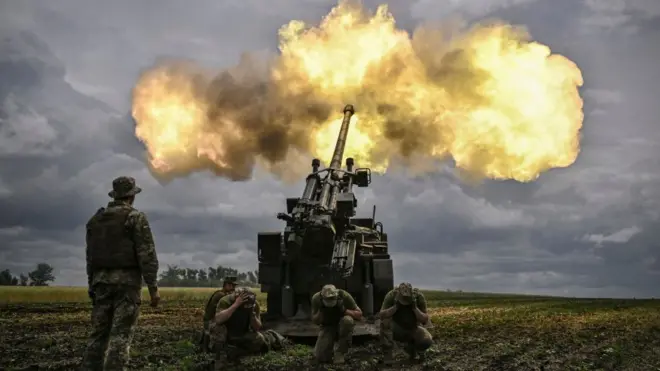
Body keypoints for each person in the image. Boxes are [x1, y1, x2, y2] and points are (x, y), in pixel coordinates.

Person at [81, 176, 160, 371]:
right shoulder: (135, 218)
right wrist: (153, 289)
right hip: (127, 284)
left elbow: (90, 257)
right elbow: (146, 254)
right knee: (120, 337)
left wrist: (92, 284)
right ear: (132, 196)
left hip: (101, 283)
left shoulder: (95, 220)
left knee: (98, 336)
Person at [211, 287, 285, 369]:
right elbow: (218, 320)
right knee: (217, 328)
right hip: (226, 330)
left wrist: (252, 316)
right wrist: (235, 305)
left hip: (243, 331)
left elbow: (257, 327)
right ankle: (221, 353)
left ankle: (239, 351)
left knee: (260, 339)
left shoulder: (253, 304)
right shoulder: (225, 301)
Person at [378, 282, 433, 364]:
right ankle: (388, 355)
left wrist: (414, 308)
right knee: (384, 323)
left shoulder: (418, 297)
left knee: (426, 340)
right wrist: (395, 307)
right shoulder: (392, 295)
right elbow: (382, 315)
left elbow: (424, 319)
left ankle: (414, 351)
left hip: (413, 328)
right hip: (396, 327)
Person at [310, 284, 363, 364]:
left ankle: (340, 352)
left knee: (347, 321)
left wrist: (344, 310)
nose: (330, 301)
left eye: (332, 298)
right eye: (328, 299)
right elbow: (315, 321)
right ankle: (328, 348)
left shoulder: (343, 295)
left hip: (342, 323)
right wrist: (320, 312)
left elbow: (359, 315)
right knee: (321, 356)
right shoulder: (316, 298)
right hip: (327, 325)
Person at [200, 275, 238, 352]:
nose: (233, 288)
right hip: (210, 322)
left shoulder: (220, 293)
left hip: (210, 320)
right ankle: (216, 348)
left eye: (234, 286)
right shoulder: (222, 296)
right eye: (231, 285)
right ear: (226, 285)